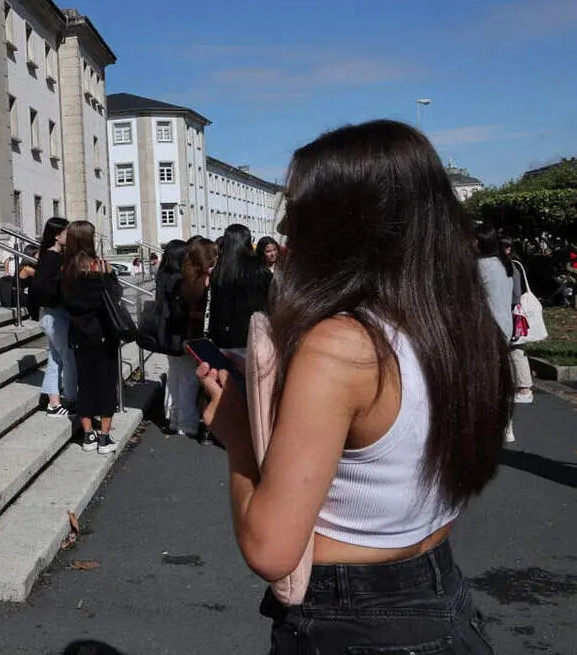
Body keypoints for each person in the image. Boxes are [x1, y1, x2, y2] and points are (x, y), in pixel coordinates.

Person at [196, 120, 507, 654]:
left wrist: (237, 434)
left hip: (352, 615)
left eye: (299, 208)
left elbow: (270, 549)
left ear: (347, 223)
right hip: (441, 591)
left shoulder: (339, 345)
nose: (285, 226)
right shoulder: (459, 324)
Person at [61, 221, 120, 454]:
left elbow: (65, 302)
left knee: (84, 382)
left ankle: (88, 435)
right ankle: (104, 436)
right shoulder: (100, 267)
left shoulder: (67, 270)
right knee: (106, 383)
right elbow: (115, 295)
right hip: (103, 332)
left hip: (79, 333)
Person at [168, 238, 215, 438]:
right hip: (198, 335)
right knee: (191, 382)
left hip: (183, 334)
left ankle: (175, 419)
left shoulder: (184, 280)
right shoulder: (205, 281)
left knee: (180, 380)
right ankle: (187, 424)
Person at [476, 223, 518, 444]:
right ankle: (505, 422)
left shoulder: (481, 266)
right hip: (504, 327)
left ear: (480, 242)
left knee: (483, 380)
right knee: (499, 378)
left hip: (485, 329)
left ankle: (489, 424)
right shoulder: (506, 265)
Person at [32, 217, 75, 418]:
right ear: (57, 236)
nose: (70, 236)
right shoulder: (51, 257)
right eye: (67, 233)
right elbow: (42, 288)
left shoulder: (52, 255)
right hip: (55, 314)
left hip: (53, 314)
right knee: (68, 358)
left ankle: (54, 403)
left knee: (55, 359)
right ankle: (71, 399)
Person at [207, 224, 272, 356]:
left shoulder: (219, 270)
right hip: (253, 336)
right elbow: (272, 296)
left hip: (222, 337)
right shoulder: (257, 267)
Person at [500, 237, 534, 407]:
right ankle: (520, 386)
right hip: (513, 311)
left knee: (516, 349)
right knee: (515, 349)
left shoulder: (511, 266)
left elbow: (516, 294)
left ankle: (524, 388)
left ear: (508, 249)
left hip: (514, 312)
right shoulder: (513, 265)